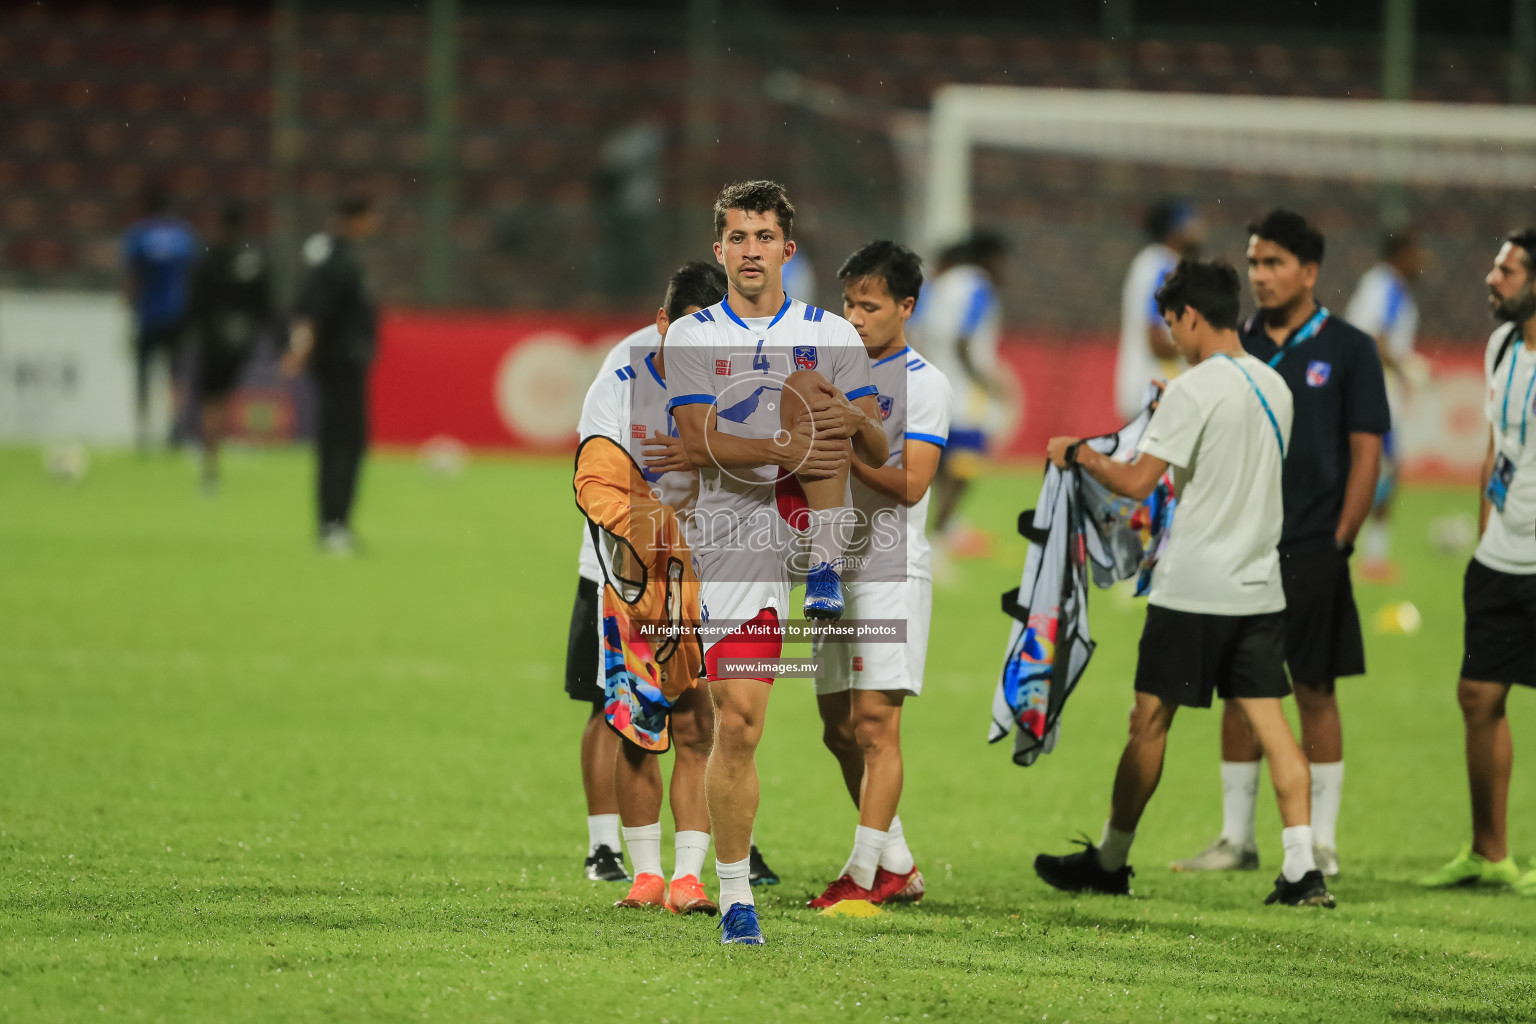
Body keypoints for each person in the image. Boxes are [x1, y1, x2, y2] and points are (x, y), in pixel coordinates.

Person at [1034, 258, 1335, 909]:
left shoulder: (1194, 390)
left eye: (1171, 322)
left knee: (1148, 723)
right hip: (1258, 585)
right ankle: (1302, 868)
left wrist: (1080, 451)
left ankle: (1110, 862)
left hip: (1194, 587)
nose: (1170, 335)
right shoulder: (1274, 384)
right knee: (1273, 726)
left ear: (1192, 316)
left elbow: (1138, 482)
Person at [665, 180, 885, 944]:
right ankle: (735, 898)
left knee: (807, 387)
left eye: (764, 237)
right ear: (718, 249)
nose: (751, 250)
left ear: (788, 250)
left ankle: (823, 569)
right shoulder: (692, 337)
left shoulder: (832, 335)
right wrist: (784, 445)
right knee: (742, 722)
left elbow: (877, 446)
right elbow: (696, 443)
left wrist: (846, 415)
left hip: (811, 517)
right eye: (738, 237)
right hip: (732, 542)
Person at [1170, 211, 1388, 880]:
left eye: (1273, 264)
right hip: (1241, 546)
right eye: (1254, 263)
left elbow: (1366, 450)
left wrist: (1342, 541)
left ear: (1310, 271)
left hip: (1314, 545)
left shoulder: (1349, 348)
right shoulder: (1236, 344)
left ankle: (1320, 840)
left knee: (1315, 689)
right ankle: (1237, 839)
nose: (1259, 276)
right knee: (1240, 692)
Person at [576, 260, 726, 915]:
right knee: (635, 724)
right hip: (630, 576)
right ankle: (638, 867)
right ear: (662, 324)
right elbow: (595, 475)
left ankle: (690, 876)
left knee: (701, 725)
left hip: (711, 575)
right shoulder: (623, 370)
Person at [807, 241, 950, 909]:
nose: (856, 317)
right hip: (831, 568)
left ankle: (860, 879)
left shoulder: (924, 382)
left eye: (870, 306)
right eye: (848, 304)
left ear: (906, 307)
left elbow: (915, 484)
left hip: (891, 570)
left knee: (875, 725)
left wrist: (845, 451)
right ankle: (895, 862)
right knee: (837, 728)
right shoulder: (828, 370)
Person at [1420, 229, 1536, 895]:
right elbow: (1497, 443)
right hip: (1500, 555)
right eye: (1496, 267)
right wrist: (1484, 533)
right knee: (1479, 695)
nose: (1493, 280)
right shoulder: (1499, 346)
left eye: (1510, 271)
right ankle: (1490, 853)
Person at [281, 188, 380, 556]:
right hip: (339, 363)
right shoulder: (338, 260)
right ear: (357, 219)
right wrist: (301, 349)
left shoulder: (338, 255)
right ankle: (332, 524)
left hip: (344, 364)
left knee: (342, 443)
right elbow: (312, 310)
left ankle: (335, 523)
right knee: (343, 443)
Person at [908, 230, 1007, 559]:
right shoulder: (978, 285)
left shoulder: (937, 284)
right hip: (965, 389)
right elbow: (964, 336)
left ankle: (944, 528)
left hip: (933, 382)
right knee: (964, 467)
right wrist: (983, 378)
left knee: (940, 463)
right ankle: (938, 537)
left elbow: (915, 330)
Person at [1345, 230, 1426, 582]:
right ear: (1401, 252)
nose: (1420, 260)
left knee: (1377, 472)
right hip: (1376, 394)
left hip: (1370, 391)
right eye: (1415, 251)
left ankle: (1367, 555)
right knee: (1383, 472)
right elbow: (1377, 340)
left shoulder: (1379, 285)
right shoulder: (1387, 287)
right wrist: (1409, 367)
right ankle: (1370, 558)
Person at [184, 200, 273, 494]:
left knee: (212, 402)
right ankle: (229, 449)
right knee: (229, 398)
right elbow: (265, 304)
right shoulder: (254, 258)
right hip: (244, 340)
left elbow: (195, 301)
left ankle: (210, 468)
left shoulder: (209, 257)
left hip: (213, 340)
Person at [122, 181, 198, 450]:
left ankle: (143, 434)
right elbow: (192, 278)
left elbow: (132, 280)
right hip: (177, 316)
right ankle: (174, 430)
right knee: (175, 376)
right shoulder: (184, 238)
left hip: (148, 316)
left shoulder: (138, 236)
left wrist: (128, 311)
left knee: (143, 375)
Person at [1115, 199, 1205, 422]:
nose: (1198, 229)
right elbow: (1156, 338)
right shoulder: (1163, 265)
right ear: (1176, 229)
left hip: (1145, 390)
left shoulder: (1149, 262)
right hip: (1155, 392)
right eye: (1190, 223)